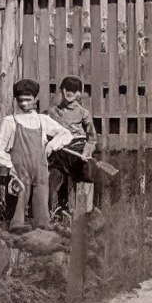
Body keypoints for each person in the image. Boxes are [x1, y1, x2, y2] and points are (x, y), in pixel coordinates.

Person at [0, 79, 73, 232]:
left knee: (42, 210)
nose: (24, 104)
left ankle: (42, 235)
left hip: (40, 170)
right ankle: (16, 233)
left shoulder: (42, 120)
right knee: (18, 208)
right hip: (19, 172)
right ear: (16, 100)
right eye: (20, 100)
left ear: (35, 100)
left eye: (28, 100)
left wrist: (52, 145)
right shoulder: (10, 122)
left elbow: (66, 134)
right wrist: (10, 167)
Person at [47, 75, 97, 214]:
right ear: (61, 91)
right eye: (67, 89)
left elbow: (92, 138)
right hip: (59, 154)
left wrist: (87, 152)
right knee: (54, 181)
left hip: (77, 153)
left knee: (86, 173)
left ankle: (83, 214)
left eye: (74, 90)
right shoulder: (53, 112)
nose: (70, 93)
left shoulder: (84, 114)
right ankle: (55, 214)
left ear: (79, 94)